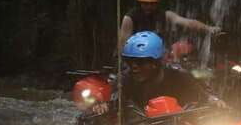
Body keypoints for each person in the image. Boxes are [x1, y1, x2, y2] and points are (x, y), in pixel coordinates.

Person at [94, 31, 226, 115]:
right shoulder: (125, 79)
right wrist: (102, 106)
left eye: (140, 62)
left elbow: (202, 91)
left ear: (155, 63)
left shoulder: (178, 74)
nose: (134, 67)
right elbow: (112, 99)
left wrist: (214, 100)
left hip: (178, 124)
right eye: (130, 61)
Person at [117, 0, 222, 53]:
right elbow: (123, 45)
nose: (148, 7)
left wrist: (208, 28)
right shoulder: (130, 18)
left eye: (152, 4)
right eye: (145, 3)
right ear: (140, 3)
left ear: (156, 4)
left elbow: (187, 22)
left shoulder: (165, 15)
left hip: (157, 58)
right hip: (136, 57)